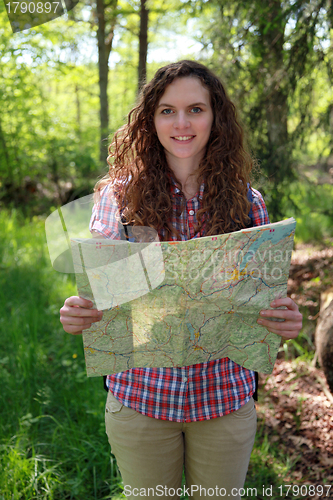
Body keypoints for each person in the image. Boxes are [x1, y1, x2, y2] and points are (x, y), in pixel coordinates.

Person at [60, 60, 302, 500]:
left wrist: (283, 320)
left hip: (225, 401)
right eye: (167, 111)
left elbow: (264, 309)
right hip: (141, 401)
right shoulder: (118, 197)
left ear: (216, 117)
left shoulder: (250, 205)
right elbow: (103, 301)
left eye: (196, 109)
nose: (182, 123)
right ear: (150, 121)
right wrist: (80, 314)